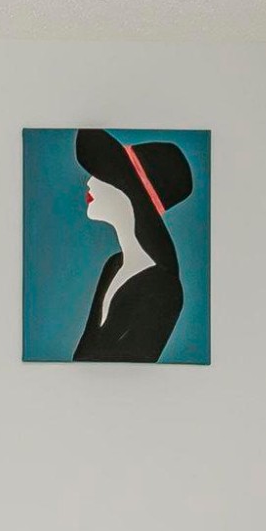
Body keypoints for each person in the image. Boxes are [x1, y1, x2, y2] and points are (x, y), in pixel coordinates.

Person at [68, 129, 194, 363]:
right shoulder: (114, 265)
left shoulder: (163, 289)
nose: (89, 181)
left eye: (102, 174)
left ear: (129, 193)